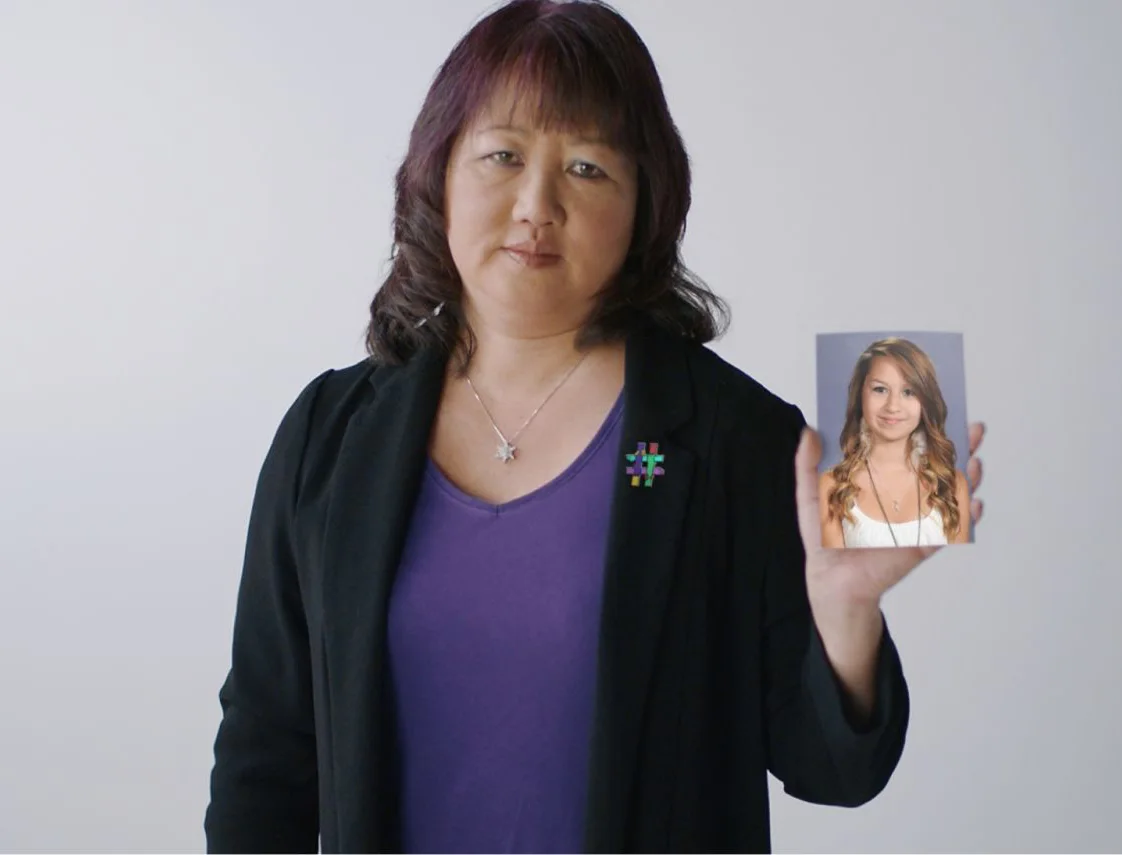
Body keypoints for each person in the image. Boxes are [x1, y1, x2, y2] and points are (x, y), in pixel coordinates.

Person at [204, 1, 986, 852]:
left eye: (586, 168)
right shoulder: (330, 435)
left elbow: (832, 772)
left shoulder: (739, 442)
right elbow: (265, 756)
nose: (536, 204)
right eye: (502, 154)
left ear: (646, 204)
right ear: (438, 172)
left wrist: (845, 611)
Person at [818, 337, 973, 550]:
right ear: (860, 395)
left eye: (908, 392)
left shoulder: (953, 484)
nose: (893, 406)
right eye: (880, 389)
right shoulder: (831, 487)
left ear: (925, 402)